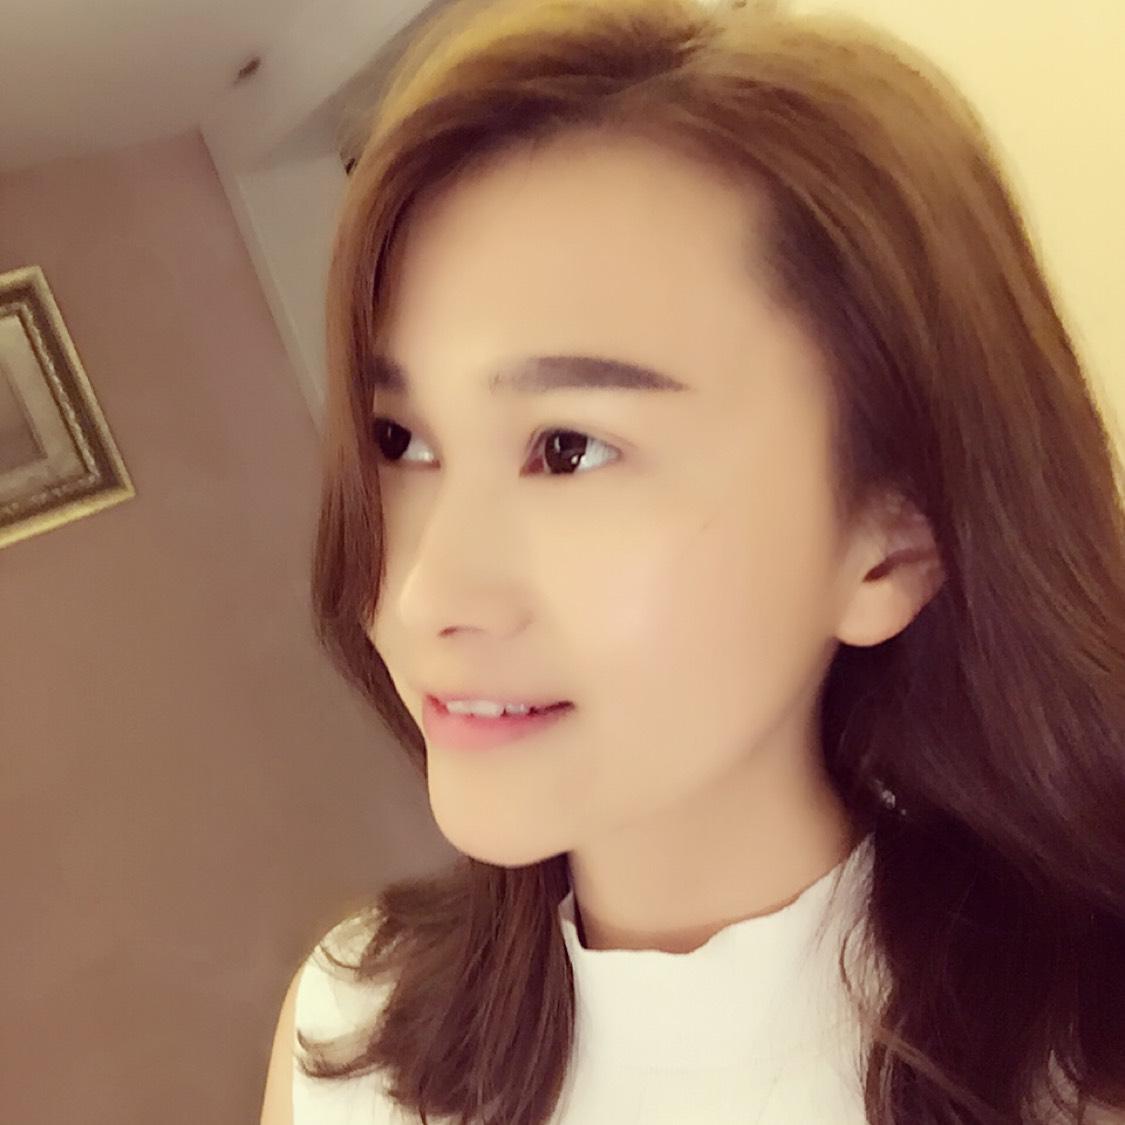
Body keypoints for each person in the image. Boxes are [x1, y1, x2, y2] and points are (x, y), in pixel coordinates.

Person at [260, 0, 1125, 1122]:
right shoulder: (350, 1036)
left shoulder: (1075, 1070)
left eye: (568, 449)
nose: (423, 593)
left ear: (893, 540)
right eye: (398, 441)